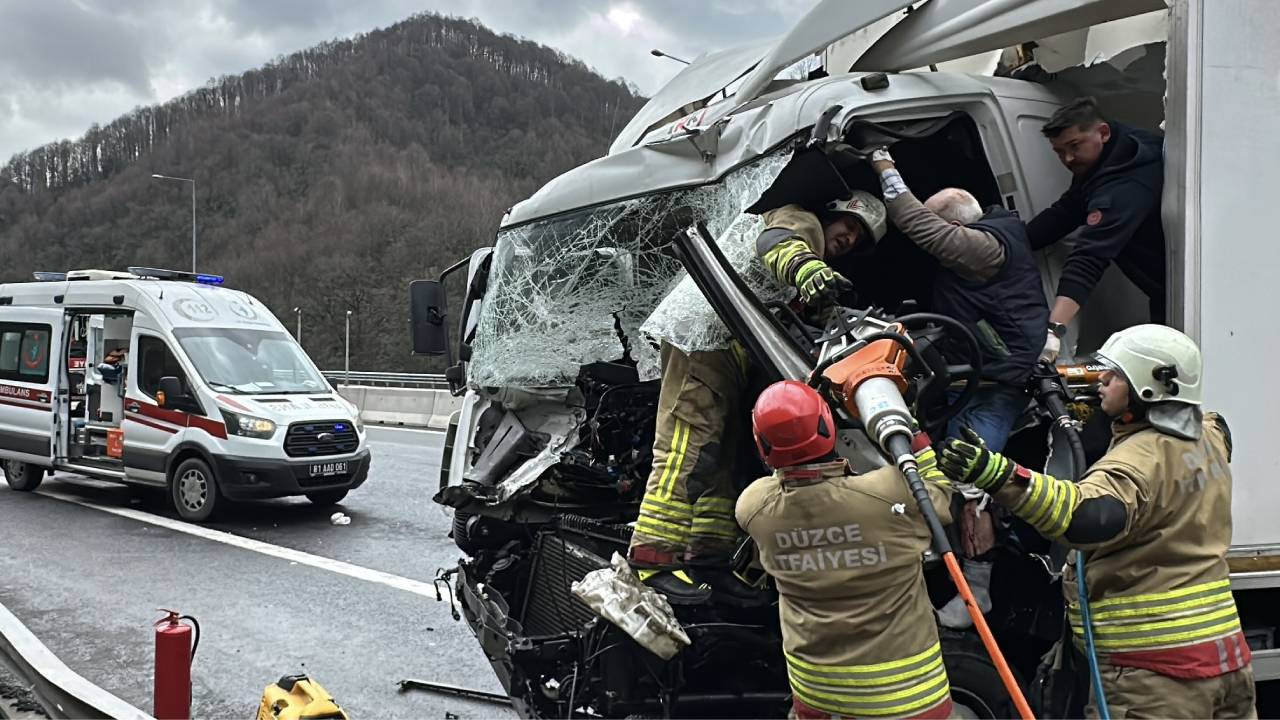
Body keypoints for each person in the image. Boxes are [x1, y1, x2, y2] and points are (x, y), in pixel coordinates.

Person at [938, 324, 1255, 719]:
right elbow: (1209, 422)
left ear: (1146, 389)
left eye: (1115, 374)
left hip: (1156, 676)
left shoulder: (1136, 465)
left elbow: (1084, 516)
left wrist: (998, 475)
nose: (1101, 379)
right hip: (1225, 659)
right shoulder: (1209, 437)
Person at [628, 193, 887, 604]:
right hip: (701, 335)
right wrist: (805, 267)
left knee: (723, 451)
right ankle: (651, 559)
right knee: (688, 441)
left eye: (859, 239)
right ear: (831, 213)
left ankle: (707, 558)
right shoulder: (801, 218)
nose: (850, 239)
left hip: (728, 347)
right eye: (850, 226)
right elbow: (777, 242)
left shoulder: (816, 255)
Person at [869, 147, 1049, 628]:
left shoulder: (984, 247)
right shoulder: (983, 248)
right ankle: (932, 557)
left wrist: (884, 164)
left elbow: (919, 226)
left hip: (995, 386)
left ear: (958, 229)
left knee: (973, 483)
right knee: (932, 468)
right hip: (968, 378)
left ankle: (979, 594)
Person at [737, 380, 957, 720]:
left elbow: (782, 487)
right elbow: (939, 499)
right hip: (908, 699)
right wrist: (917, 442)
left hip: (817, 694)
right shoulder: (889, 493)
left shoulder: (755, 507)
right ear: (828, 424)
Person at [1027, 97, 1166, 360]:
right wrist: (1013, 240)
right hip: (1163, 286)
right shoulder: (1107, 155)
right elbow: (1068, 210)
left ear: (1103, 133)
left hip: (1178, 289)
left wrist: (1053, 331)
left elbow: (1089, 258)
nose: (1067, 159)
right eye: (1058, 151)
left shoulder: (1127, 183)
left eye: (1074, 146)